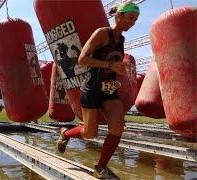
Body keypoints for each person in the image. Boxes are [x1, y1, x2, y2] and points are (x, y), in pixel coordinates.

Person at [57, 2, 140, 179]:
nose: (133, 23)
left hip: (109, 89)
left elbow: (114, 63)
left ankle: (100, 168)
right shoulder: (102, 33)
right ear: (119, 16)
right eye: (131, 18)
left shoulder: (121, 40)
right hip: (93, 88)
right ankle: (65, 133)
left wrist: (120, 70)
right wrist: (110, 65)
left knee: (118, 126)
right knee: (89, 133)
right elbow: (82, 59)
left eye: (136, 20)